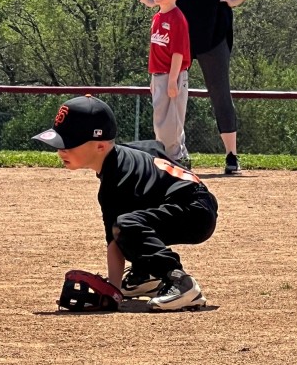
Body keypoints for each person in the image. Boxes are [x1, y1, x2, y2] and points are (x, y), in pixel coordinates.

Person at [33, 96, 218, 312]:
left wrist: (112, 290)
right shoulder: (122, 159)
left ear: (100, 146)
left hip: (194, 211)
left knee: (126, 226)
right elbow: (154, 149)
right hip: (193, 202)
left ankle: (180, 282)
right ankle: (144, 276)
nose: (61, 151)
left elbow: (116, 239)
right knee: (130, 222)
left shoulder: (116, 180)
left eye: (68, 144)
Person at [121, 0, 263, 175]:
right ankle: (173, 154)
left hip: (213, 35)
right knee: (169, 94)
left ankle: (231, 155)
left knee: (220, 92)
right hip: (174, 38)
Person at [144, 0, 192, 168]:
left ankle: (175, 160)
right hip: (159, 75)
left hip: (173, 75)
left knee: (169, 122)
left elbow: (178, 53)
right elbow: (156, 52)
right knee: (162, 120)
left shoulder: (177, 18)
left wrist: (172, 80)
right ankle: (177, 157)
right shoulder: (157, 17)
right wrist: (154, 80)